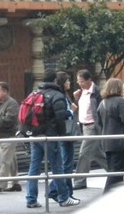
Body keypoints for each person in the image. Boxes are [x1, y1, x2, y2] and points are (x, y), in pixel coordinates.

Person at [24, 69, 79, 209]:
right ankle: (64, 198)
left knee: (34, 167)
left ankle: (31, 199)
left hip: (35, 135)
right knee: (57, 167)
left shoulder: (35, 93)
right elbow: (61, 117)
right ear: (55, 80)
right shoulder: (57, 95)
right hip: (49, 136)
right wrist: (62, 132)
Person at [96, 78, 124, 193]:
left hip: (106, 141)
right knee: (117, 171)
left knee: (113, 170)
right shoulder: (120, 101)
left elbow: (99, 122)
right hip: (119, 141)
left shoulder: (102, 103)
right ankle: (107, 195)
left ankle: (116, 195)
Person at [72, 69, 107, 190]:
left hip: (93, 126)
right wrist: (76, 99)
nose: (80, 83)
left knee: (84, 153)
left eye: (82, 81)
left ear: (89, 80)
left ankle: (79, 181)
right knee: (97, 153)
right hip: (83, 125)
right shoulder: (81, 92)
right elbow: (81, 108)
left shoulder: (97, 92)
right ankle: (116, 171)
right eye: (78, 81)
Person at [47, 71, 77, 201]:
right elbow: (62, 114)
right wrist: (71, 111)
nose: (69, 83)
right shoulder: (60, 96)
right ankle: (58, 191)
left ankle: (60, 191)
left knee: (67, 163)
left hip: (65, 132)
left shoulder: (64, 95)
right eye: (67, 81)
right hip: (64, 132)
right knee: (66, 164)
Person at [0, 81, 20, 193]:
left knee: (4, 161)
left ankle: (0, 183)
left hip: (9, 136)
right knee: (10, 160)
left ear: (5, 92)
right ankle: (15, 183)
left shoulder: (12, 104)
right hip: (0, 136)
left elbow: (9, 120)